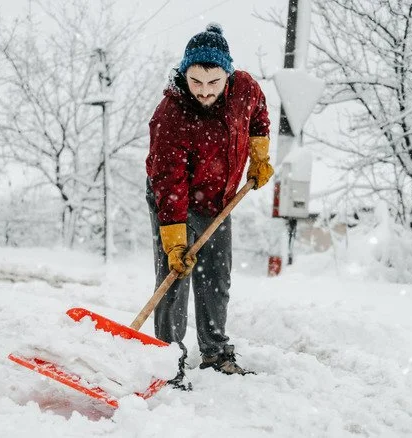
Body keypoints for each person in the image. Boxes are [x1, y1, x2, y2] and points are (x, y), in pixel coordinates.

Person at [145, 23, 273, 387]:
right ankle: (166, 359)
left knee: (217, 276)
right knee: (176, 276)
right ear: (184, 73)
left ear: (228, 76)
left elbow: (259, 114)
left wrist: (259, 156)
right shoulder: (171, 115)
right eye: (195, 81)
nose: (203, 92)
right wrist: (174, 242)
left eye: (213, 82)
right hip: (174, 201)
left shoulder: (245, 89)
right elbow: (169, 182)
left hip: (219, 200)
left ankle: (215, 352)